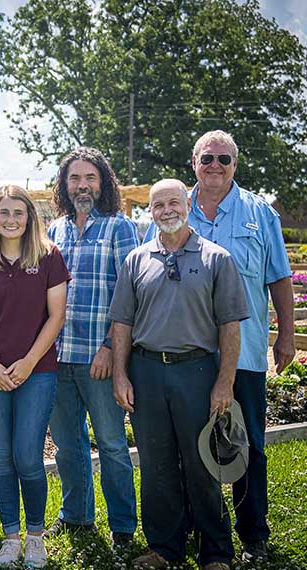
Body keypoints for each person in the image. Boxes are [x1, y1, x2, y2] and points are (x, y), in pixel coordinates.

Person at [145, 130, 294, 562]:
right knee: (188, 447)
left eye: (223, 159)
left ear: (235, 163)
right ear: (193, 162)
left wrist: (285, 334)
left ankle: (253, 534)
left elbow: (278, 276)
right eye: (207, 157)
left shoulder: (258, 213)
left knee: (248, 444)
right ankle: (193, 531)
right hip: (186, 355)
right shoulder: (172, 208)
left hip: (242, 352)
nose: (215, 165)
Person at [110, 179, 250, 570]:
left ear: (187, 204)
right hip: (148, 371)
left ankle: (215, 552)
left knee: (203, 464)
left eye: (174, 202)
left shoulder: (216, 258)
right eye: (159, 205)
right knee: (155, 465)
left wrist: (224, 383)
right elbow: (122, 323)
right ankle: (165, 548)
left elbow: (230, 327)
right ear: (149, 211)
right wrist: (121, 375)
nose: (167, 210)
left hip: (197, 372)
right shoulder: (137, 260)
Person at [0, 185, 69, 568]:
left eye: (18, 213)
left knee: (28, 455)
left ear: (29, 217)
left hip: (37, 372)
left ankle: (35, 536)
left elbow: (57, 315)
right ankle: (10, 536)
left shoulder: (48, 256)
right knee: (2, 457)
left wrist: (26, 363)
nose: (11, 220)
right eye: (4, 213)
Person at [46, 148, 139, 546]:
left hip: (99, 358)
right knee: (68, 447)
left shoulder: (119, 227)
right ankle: (77, 516)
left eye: (90, 178)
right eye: (74, 179)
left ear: (104, 182)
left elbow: (129, 293)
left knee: (113, 445)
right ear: (64, 185)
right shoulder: (55, 231)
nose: (82, 185)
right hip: (58, 357)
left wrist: (109, 349)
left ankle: (122, 526)